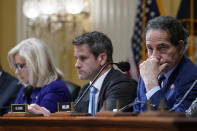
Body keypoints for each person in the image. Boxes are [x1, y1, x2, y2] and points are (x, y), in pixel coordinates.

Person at [133, 16, 197, 113]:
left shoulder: (192, 78)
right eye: (149, 48)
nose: (154, 57)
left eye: (162, 48)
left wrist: (152, 84)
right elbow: (136, 113)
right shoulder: (147, 72)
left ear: (180, 47)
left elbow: (174, 124)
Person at [73, 31, 137, 115]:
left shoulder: (122, 85)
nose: (76, 65)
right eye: (76, 58)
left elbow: (103, 122)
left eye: (83, 58)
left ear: (102, 58)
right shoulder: (85, 89)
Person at [7, 38, 71, 116]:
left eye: (20, 66)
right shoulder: (28, 87)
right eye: (16, 66)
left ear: (36, 64)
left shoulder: (55, 89)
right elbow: (11, 115)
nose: (16, 72)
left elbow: (40, 124)